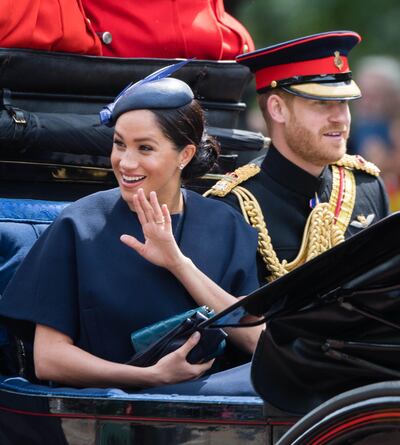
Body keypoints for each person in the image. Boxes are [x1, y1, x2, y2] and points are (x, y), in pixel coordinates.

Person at [0, 66, 261, 389]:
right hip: (110, 412)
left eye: (145, 148)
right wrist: (150, 376)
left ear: (186, 154)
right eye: (119, 144)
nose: (125, 162)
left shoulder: (224, 224)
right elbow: (49, 359)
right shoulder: (80, 224)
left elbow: (256, 341)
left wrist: (178, 263)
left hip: (213, 408)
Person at [206, 31, 390, 284]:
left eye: (344, 102)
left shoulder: (366, 186)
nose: (340, 117)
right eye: (322, 104)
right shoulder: (235, 207)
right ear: (277, 109)